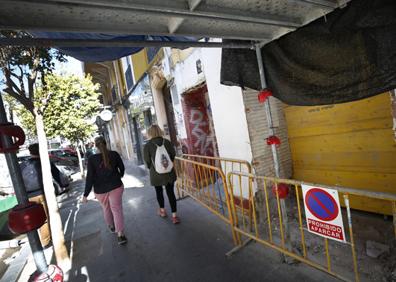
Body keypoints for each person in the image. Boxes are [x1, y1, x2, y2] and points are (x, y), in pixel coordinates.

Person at [82, 136, 127, 245]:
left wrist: (85, 194)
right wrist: (118, 176)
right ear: (105, 143)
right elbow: (122, 168)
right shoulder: (114, 154)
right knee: (116, 209)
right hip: (115, 186)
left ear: (95, 145)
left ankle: (112, 227)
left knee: (106, 208)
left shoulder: (92, 159)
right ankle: (120, 235)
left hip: (100, 190)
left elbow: (90, 178)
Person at [20, 143, 64, 248]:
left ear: (30, 152)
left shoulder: (23, 165)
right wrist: (63, 185)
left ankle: (45, 240)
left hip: (29, 196)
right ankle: (48, 240)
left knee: (38, 218)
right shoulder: (44, 162)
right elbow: (56, 174)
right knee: (49, 216)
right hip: (44, 193)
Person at [143, 125, 180, 224]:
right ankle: (174, 216)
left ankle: (162, 211)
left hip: (156, 174)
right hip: (169, 172)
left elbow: (147, 161)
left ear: (150, 133)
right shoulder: (167, 142)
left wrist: (152, 167)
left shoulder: (148, 145)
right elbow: (172, 155)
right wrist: (167, 165)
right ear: (159, 131)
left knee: (159, 192)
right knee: (171, 193)